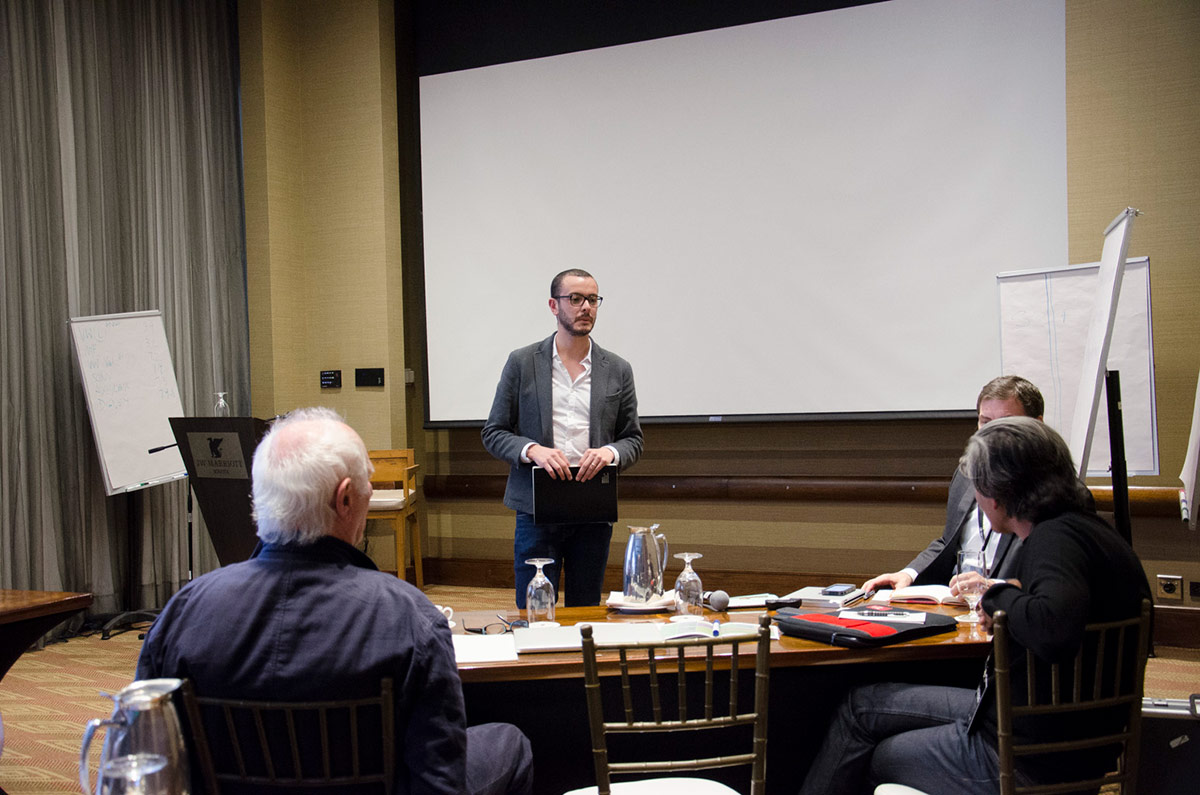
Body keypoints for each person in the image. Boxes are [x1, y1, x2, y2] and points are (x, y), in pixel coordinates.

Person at [137, 407, 533, 795]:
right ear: (345, 499)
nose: (370, 493)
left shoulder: (182, 614)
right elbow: (437, 781)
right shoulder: (410, 618)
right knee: (509, 743)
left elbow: (144, 762)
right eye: (368, 484)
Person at [799, 416, 1151, 795]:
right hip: (1075, 742)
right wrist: (1010, 591)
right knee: (862, 705)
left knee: (881, 753)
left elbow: (1055, 628)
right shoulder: (1094, 533)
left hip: (1025, 757)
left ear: (995, 494)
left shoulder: (1053, 541)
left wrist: (996, 597)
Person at [482, 269, 643, 608]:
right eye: (576, 299)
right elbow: (494, 432)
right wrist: (532, 450)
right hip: (537, 507)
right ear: (554, 306)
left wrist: (610, 453)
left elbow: (632, 440)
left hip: (592, 505)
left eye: (593, 300)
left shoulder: (617, 368)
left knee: (585, 608)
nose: (586, 307)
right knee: (535, 610)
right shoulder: (522, 363)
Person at [863, 376, 1044, 595]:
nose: (993, 434)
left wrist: (993, 587)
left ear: (1037, 424)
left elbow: (1053, 581)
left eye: (1006, 423)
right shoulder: (966, 475)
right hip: (954, 601)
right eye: (986, 422)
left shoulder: (1050, 490)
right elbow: (948, 542)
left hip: (1009, 607)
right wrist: (909, 574)